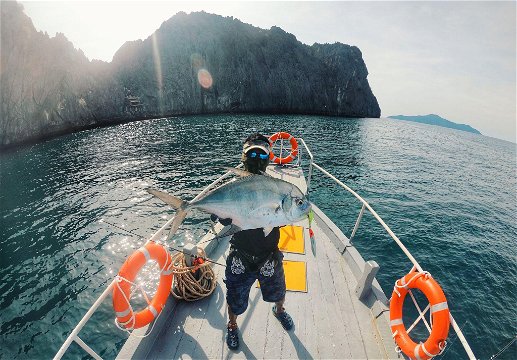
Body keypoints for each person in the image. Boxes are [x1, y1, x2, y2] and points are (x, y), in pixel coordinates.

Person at [219, 133, 294, 351]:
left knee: (279, 291)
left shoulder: (276, 188)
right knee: (235, 299)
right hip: (240, 255)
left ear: (269, 158)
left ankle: (279, 310)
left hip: (269, 255)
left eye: (262, 154)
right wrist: (220, 216)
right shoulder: (233, 186)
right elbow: (222, 214)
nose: (257, 158)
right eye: (251, 153)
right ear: (243, 156)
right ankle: (232, 325)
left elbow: (281, 216)